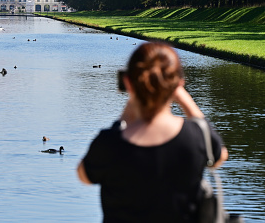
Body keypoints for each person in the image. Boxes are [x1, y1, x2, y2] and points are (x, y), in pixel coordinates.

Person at [78, 42, 228, 223]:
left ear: (128, 83)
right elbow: (219, 156)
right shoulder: (196, 137)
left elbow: (83, 176)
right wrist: (183, 97)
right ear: (178, 83)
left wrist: (122, 120)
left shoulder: (109, 143)